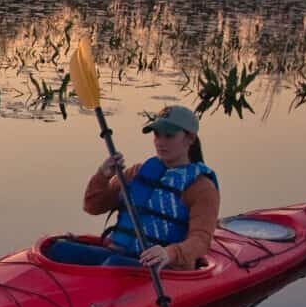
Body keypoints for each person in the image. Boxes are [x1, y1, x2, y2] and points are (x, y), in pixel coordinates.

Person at [80, 104, 219, 269]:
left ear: (190, 138)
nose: (160, 142)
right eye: (157, 135)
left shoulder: (202, 188)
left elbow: (201, 240)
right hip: (117, 254)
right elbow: (92, 206)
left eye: (169, 136)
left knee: (113, 264)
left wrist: (170, 253)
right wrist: (102, 176)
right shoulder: (137, 173)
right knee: (57, 248)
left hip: (160, 268)